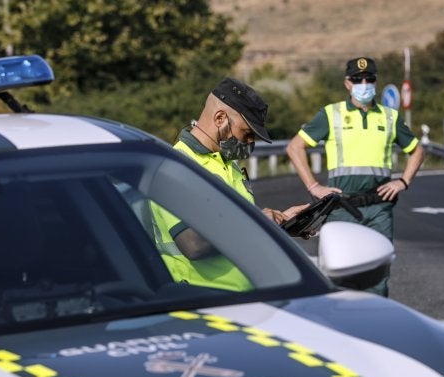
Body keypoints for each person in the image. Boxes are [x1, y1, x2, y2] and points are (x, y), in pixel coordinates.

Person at [285, 56, 424, 297]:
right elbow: (294, 147)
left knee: (378, 275)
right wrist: (313, 185)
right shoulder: (331, 114)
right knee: (340, 275)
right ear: (347, 83)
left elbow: (417, 150)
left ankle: (376, 328)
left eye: (369, 79)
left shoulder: (389, 117)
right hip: (341, 208)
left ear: (376, 82)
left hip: (379, 209)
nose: (364, 84)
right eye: (357, 79)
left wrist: (403, 181)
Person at [152, 77, 306, 290]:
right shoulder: (176, 167)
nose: (251, 142)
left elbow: (240, 230)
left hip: (248, 296)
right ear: (220, 118)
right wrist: (259, 221)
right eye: (247, 133)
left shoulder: (229, 165)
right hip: (204, 304)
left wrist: (280, 224)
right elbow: (194, 245)